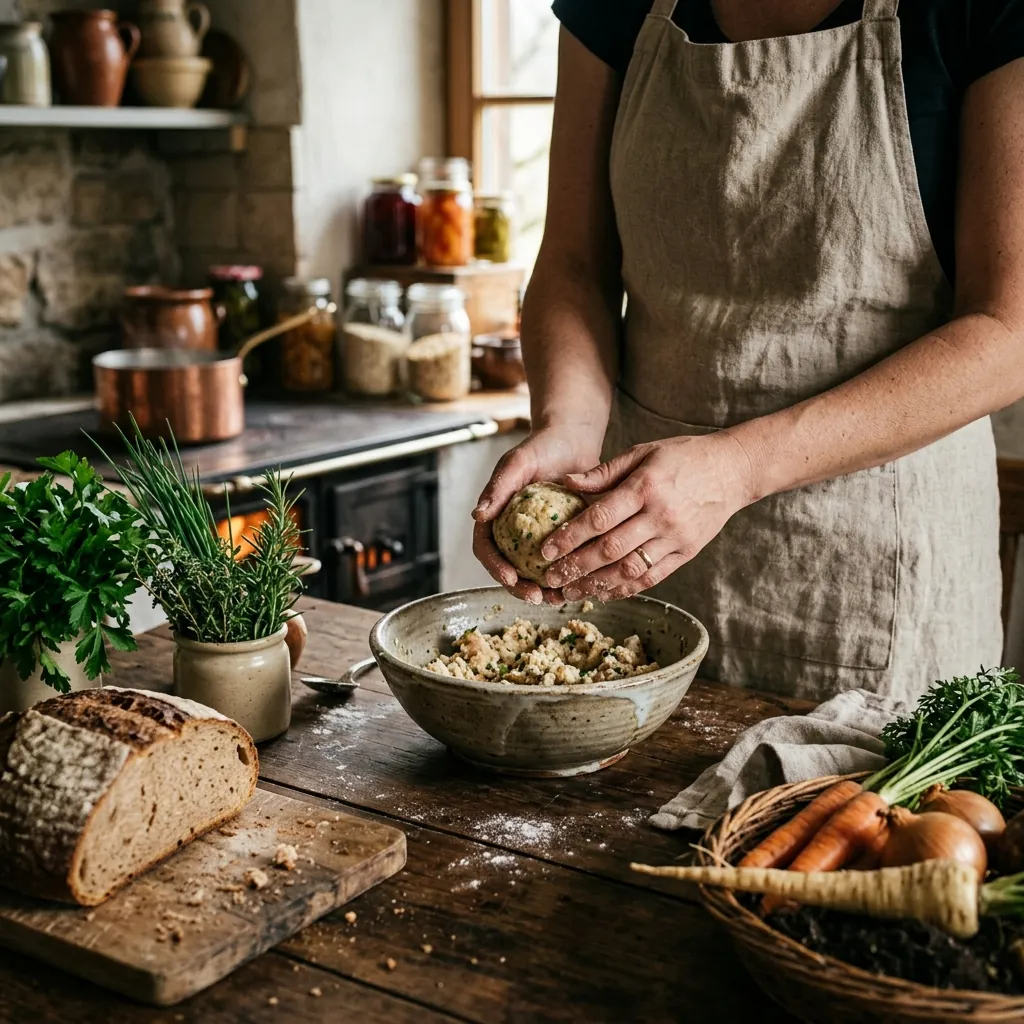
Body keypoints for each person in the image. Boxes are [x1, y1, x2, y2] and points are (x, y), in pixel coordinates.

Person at [471, 0, 1024, 702]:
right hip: (642, 541)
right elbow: (574, 264)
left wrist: (736, 467)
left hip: (874, 574)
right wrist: (569, 429)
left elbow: (1010, 329)